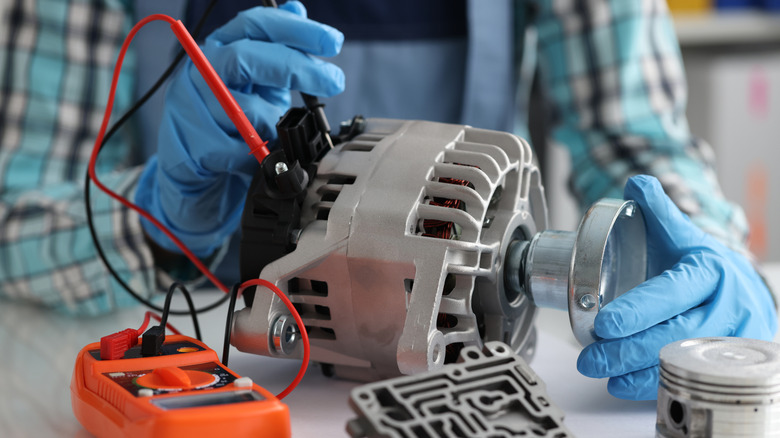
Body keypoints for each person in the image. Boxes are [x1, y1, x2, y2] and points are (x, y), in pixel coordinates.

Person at [0, 0, 775, 401]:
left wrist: (700, 251)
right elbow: (16, 215)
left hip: (448, 371)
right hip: (169, 367)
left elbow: (633, 137)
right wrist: (160, 210)